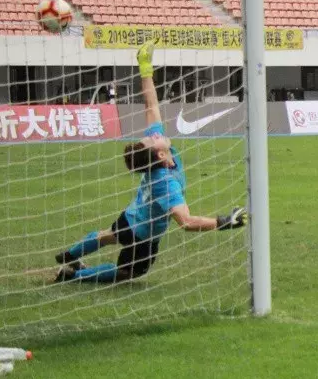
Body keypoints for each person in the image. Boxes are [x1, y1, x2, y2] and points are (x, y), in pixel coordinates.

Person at [54, 42, 247, 283]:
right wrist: (224, 221)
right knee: (129, 272)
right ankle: (73, 275)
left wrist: (145, 69)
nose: (154, 134)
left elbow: (151, 105)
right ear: (160, 155)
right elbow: (185, 222)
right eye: (151, 139)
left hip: (131, 215)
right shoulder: (166, 183)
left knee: (107, 235)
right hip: (143, 235)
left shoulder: (162, 153)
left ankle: (69, 254)